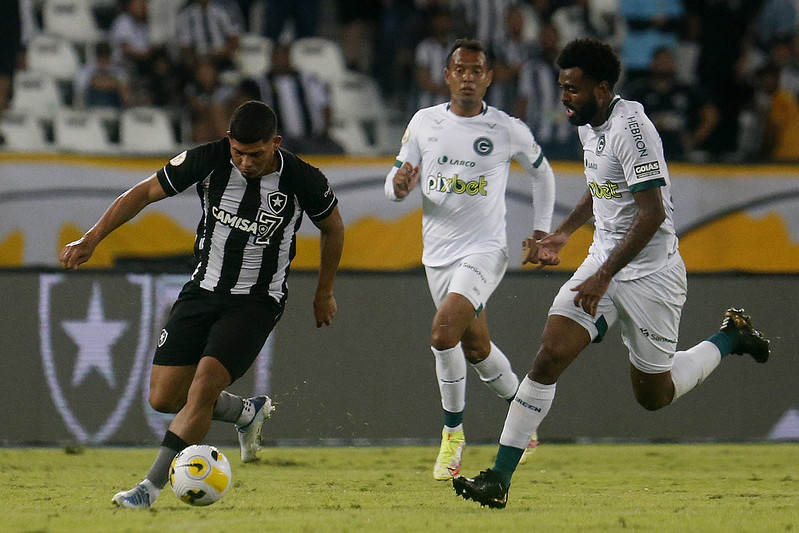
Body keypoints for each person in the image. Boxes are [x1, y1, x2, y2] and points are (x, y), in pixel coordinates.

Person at [452, 38, 771, 509]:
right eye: (562, 87)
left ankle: (731, 337)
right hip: (604, 261)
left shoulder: (632, 129)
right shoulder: (588, 124)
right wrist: (562, 235)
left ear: (602, 89)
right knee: (548, 357)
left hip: (652, 275)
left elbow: (652, 214)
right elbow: (600, 186)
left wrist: (602, 279)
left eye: (573, 89)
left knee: (654, 396)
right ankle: (499, 479)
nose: (564, 97)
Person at [58, 100, 345, 509]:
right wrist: (91, 238)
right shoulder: (208, 160)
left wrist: (324, 291)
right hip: (201, 291)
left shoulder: (303, 178)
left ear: (275, 143)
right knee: (163, 399)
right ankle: (246, 413)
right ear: (228, 141)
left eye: (256, 154)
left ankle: (148, 489)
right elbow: (142, 193)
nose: (245, 163)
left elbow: (333, 228)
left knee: (205, 385)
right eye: (238, 153)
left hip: (256, 301)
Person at [385, 38, 555, 481]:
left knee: (443, 334)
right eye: (460, 70)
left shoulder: (506, 128)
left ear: (489, 77)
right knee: (475, 347)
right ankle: (526, 420)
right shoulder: (424, 122)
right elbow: (396, 179)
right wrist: (399, 187)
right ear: (447, 76)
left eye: (476, 70)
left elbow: (544, 173)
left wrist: (540, 232)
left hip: (485, 250)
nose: (467, 78)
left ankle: (452, 436)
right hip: (437, 254)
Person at [625, 46, 719, 162]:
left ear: (674, 63)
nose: (663, 64)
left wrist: (694, 139)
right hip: (645, 153)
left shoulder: (686, 90)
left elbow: (711, 115)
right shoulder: (638, 91)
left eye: (667, 60)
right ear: (652, 63)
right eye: (660, 60)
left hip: (682, 152)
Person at [256, 43, 344, 154]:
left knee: (337, 150)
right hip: (280, 139)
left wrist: (324, 131)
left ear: (289, 57)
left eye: (283, 56)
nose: (280, 61)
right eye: (277, 57)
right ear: (271, 58)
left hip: (309, 137)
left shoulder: (307, 79)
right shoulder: (261, 83)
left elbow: (325, 105)